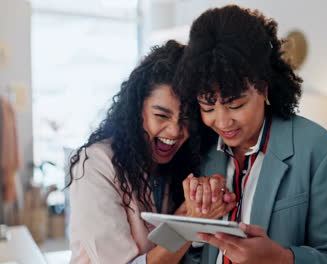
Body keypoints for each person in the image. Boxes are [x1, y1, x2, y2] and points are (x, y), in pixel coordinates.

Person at [175, 5, 327, 264]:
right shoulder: (200, 150)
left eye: (236, 105)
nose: (222, 121)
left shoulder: (322, 153)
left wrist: (283, 259)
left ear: (263, 87)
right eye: (207, 107)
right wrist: (194, 228)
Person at [67, 40, 236, 264]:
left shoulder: (174, 166)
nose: (176, 130)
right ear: (138, 110)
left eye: (186, 118)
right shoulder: (95, 164)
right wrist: (191, 222)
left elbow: (161, 245)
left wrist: (193, 209)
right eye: (162, 115)